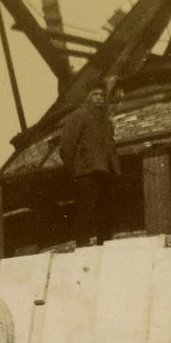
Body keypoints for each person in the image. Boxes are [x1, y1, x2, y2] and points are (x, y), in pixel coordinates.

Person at [58, 81, 121, 246]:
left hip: (104, 171)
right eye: (95, 95)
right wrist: (75, 171)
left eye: (101, 95)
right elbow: (66, 146)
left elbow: (109, 147)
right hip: (86, 172)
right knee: (87, 208)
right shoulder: (80, 116)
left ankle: (104, 244)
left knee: (105, 209)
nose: (99, 99)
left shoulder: (106, 122)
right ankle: (82, 245)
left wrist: (115, 169)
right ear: (88, 97)